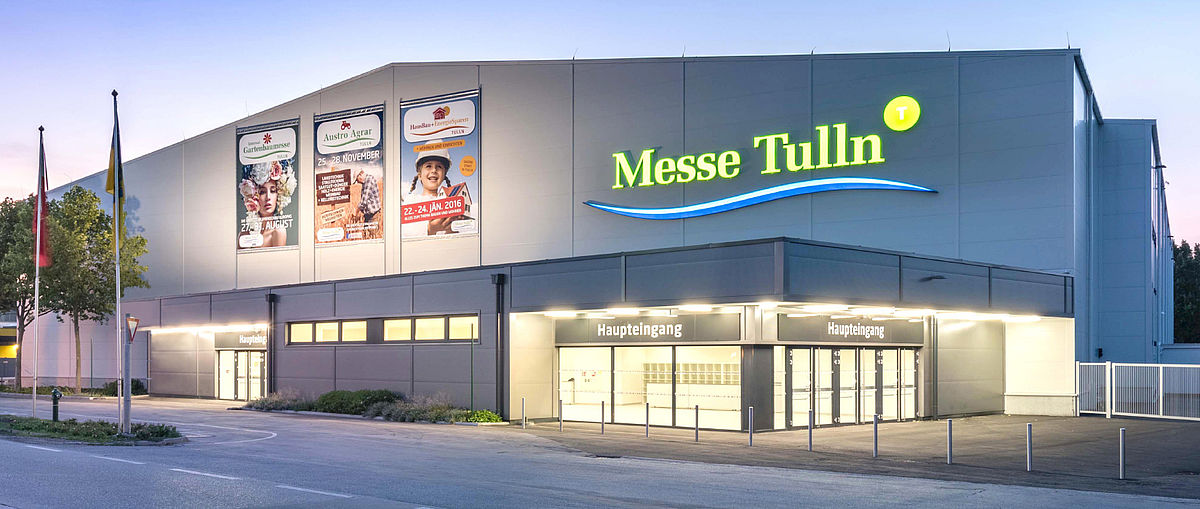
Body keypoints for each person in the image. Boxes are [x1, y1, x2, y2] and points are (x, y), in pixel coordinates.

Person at [402, 143, 472, 237]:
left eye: (439, 167)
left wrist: (451, 229)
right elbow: (404, 233)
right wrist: (430, 230)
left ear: (444, 175)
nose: (434, 170)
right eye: (428, 166)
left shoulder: (449, 202)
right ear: (419, 175)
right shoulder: (411, 202)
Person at [240, 159, 296, 248]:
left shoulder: (278, 232)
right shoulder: (244, 235)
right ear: (253, 195)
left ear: (279, 194)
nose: (268, 197)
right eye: (262, 192)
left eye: (273, 191)